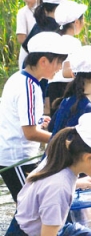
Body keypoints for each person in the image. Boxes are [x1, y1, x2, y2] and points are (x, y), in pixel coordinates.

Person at [6, 112, 91, 236]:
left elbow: (40, 188)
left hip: (45, 226)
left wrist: (77, 184)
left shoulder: (58, 158)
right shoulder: (59, 187)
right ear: (89, 158)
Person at [0, 32, 68, 202]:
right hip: (16, 158)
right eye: (58, 62)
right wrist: (62, 141)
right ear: (43, 61)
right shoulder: (29, 87)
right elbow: (29, 133)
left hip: (14, 153)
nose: (60, 67)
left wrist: (39, 121)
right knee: (30, 206)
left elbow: (19, 118)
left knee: (33, 205)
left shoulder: (19, 78)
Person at [21, 0, 68, 111]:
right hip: (43, 72)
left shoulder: (39, 23)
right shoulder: (57, 27)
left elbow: (25, 45)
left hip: (32, 68)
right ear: (60, 8)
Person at [47, 0, 88, 117]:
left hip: (50, 89)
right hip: (65, 89)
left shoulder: (53, 40)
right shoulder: (74, 43)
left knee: (53, 122)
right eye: (83, 20)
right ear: (76, 22)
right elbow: (68, 72)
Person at [14, 0, 46, 69]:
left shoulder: (47, 11)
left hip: (46, 56)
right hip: (28, 54)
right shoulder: (23, 13)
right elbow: (21, 38)